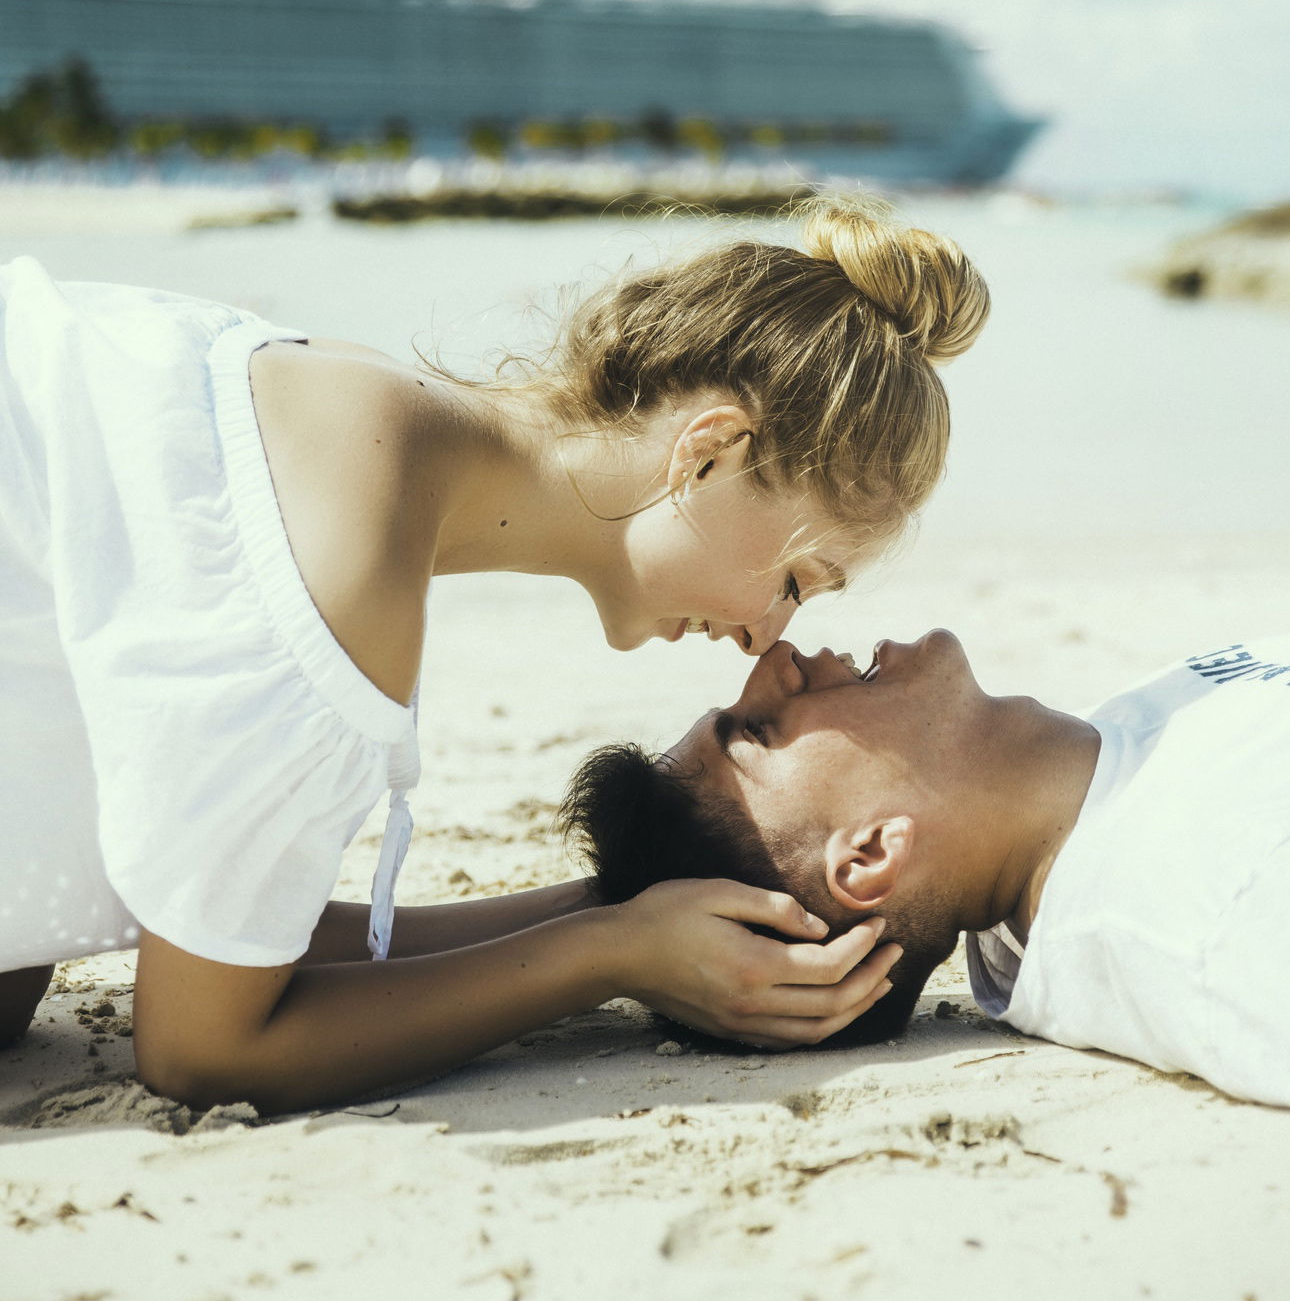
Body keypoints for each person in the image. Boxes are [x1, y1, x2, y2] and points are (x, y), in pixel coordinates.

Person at [0, 200, 989, 1113]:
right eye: (795, 576)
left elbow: (224, 932)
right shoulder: (344, 566)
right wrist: (603, 955)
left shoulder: (341, 403)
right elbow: (204, 1046)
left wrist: (628, 910)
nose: (767, 636)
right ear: (708, 452)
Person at [561, 630, 1290, 1105]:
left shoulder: (1086, 769)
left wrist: (624, 924)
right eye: (758, 729)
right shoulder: (1208, 916)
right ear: (872, 851)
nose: (775, 659)